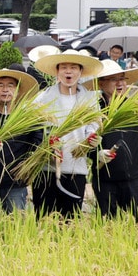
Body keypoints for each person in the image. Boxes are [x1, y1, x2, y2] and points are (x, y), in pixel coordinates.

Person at [31, 49, 102, 219]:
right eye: (63, 67)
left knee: (71, 218)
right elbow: (33, 130)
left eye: (73, 67)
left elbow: (93, 127)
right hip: (46, 169)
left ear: (80, 71)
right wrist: (47, 145)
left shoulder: (89, 99)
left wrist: (91, 139)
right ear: (57, 71)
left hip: (75, 168)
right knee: (44, 217)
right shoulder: (43, 98)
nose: (68, 71)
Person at [87, 59, 138, 220]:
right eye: (114, 79)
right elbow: (83, 142)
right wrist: (96, 153)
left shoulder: (136, 108)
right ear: (101, 84)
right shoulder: (93, 110)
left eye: (122, 78)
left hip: (134, 177)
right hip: (106, 179)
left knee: (136, 223)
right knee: (107, 223)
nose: (120, 83)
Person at [0, 68, 40, 212]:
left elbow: (38, 143)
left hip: (16, 183)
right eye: (0, 85)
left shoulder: (27, 118)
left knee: (15, 227)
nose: (5, 90)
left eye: (10, 85)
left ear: (17, 90)